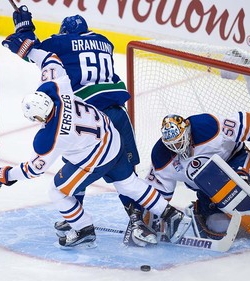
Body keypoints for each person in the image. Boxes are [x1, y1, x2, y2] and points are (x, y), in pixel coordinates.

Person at [0, 32, 191, 248]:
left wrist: (5, 175)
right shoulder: (61, 88)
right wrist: (28, 48)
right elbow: (50, 59)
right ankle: (172, 215)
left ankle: (83, 228)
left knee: (57, 190)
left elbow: (33, 169)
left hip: (95, 157)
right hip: (112, 139)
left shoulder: (49, 137)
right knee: (128, 183)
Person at [9, 6, 148, 245]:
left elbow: (34, 50)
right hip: (118, 113)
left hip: (88, 117)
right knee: (126, 172)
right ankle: (137, 222)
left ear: (64, 32)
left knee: (77, 164)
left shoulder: (60, 43)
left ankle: (79, 216)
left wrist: (23, 27)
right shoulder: (104, 41)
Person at [143, 113, 250, 242]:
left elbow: (245, 122)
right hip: (207, 189)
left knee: (236, 183)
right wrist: (156, 217)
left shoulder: (207, 127)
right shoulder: (161, 157)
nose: (177, 147)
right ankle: (202, 208)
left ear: (187, 129)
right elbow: (159, 191)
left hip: (236, 161)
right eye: (172, 144)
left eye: (180, 141)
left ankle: (241, 185)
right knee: (218, 227)